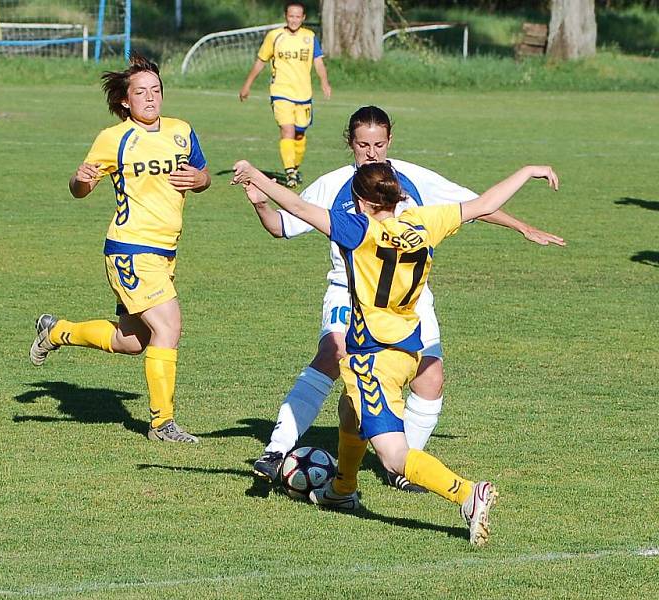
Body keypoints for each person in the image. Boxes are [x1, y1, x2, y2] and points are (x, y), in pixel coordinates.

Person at [232, 159, 560, 546]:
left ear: (360, 200)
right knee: (349, 411)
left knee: (393, 456)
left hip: (373, 356)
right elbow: (485, 203)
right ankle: (342, 488)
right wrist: (525, 171)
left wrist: (256, 179)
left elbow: (301, 209)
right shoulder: (424, 221)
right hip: (409, 350)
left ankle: (467, 494)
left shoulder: (359, 230)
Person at [29, 53, 211, 443]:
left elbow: (203, 175)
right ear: (126, 101)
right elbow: (81, 190)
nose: (150, 98)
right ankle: (162, 424)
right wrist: (79, 179)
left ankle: (57, 331)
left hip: (166, 252)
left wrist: (199, 179)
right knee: (169, 327)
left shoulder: (182, 130)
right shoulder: (113, 139)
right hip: (130, 249)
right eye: (141, 92)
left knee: (135, 341)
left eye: (156, 90)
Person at [239, 1, 331, 189]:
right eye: (291, 16)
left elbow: (318, 63)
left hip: (304, 94)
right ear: (285, 16)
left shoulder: (310, 37)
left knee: (299, 134)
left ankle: (294, 168)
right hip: (280, 92)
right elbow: (260, 61)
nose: (294, 20)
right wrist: (247, 85)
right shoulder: (275, 36)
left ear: (303, 18)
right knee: (287, 130)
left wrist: (324, 82)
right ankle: (289, 171)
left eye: (298, 16)